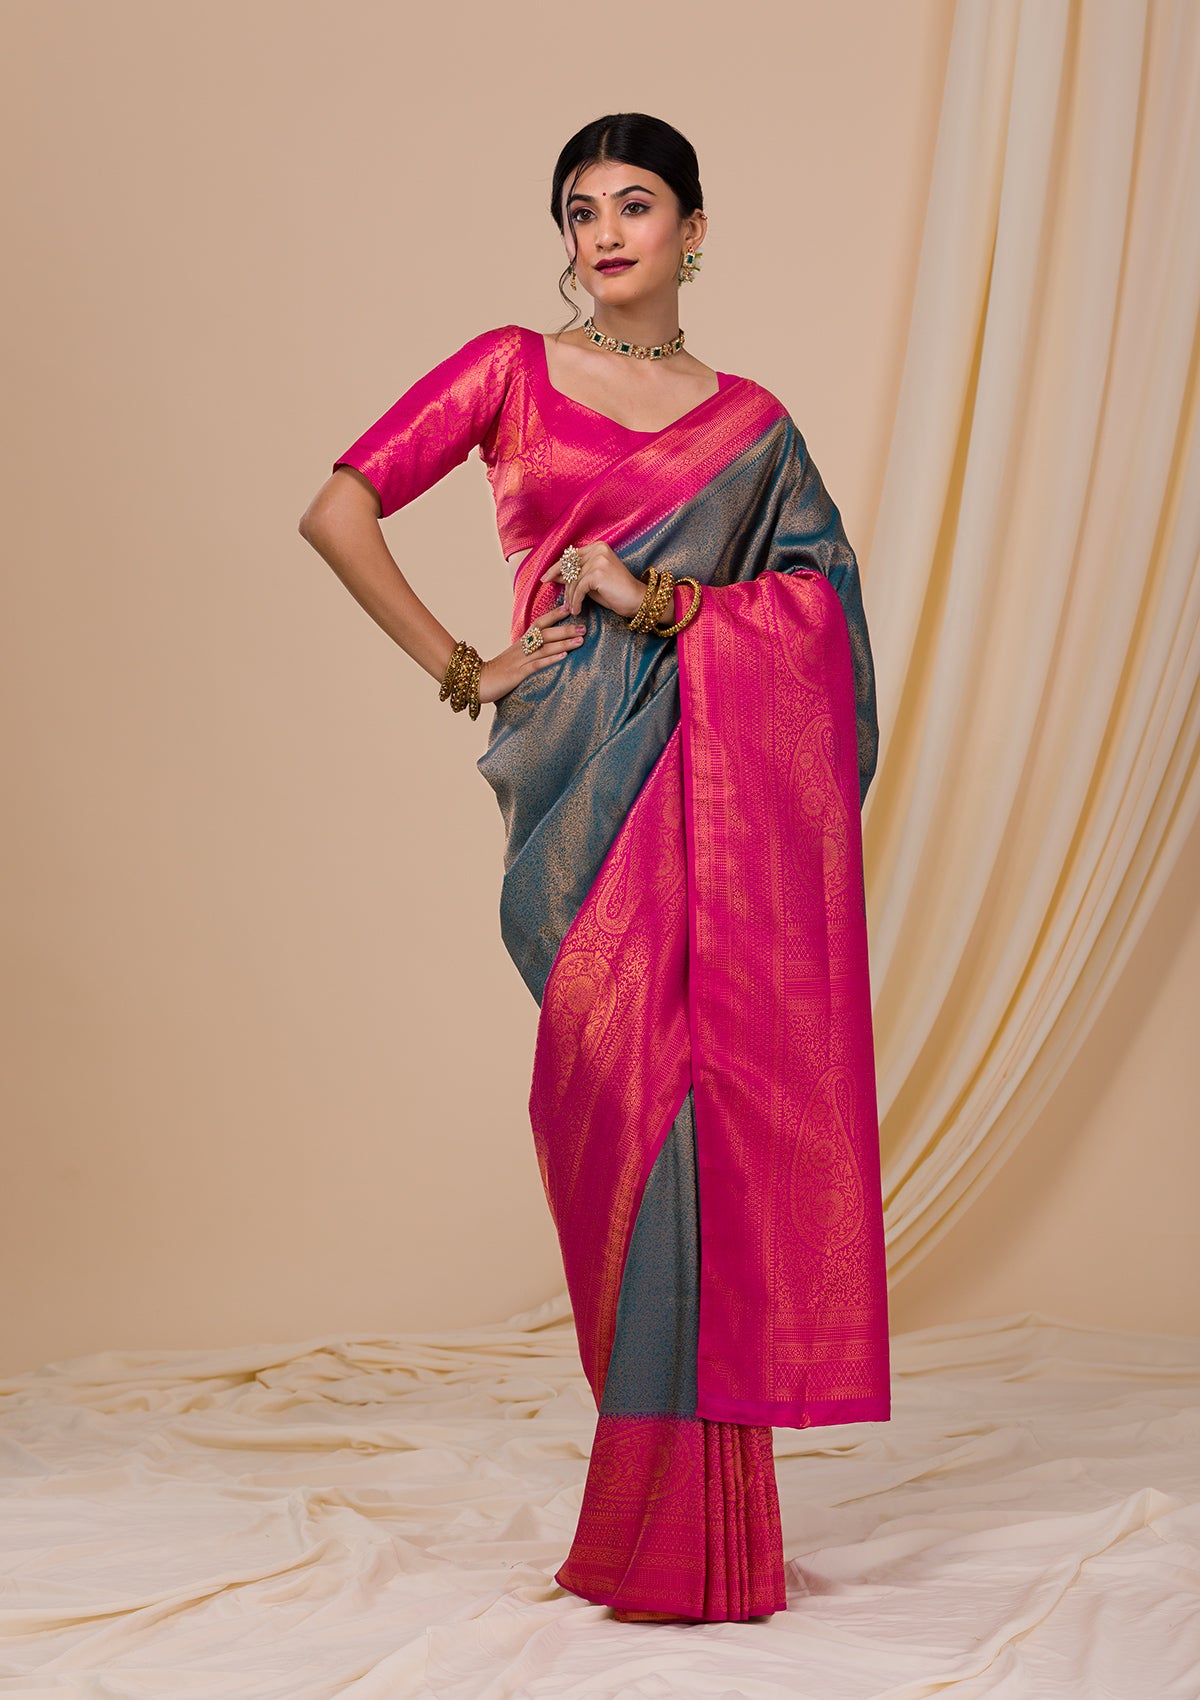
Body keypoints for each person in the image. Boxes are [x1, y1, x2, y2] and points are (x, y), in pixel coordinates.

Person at [298, 111, 891, 1626]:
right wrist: (467, 665)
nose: (606, 232)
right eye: (581, 209)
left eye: (636, 204)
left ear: (694, 228)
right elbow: (337, 508)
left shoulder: (754, 425)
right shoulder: (509, 369)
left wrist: (665, 602)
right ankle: (670, 1515)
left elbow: (827, 614)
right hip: (579, 790)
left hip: (718, 798)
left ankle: (691, 1531)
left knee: (704, 1128)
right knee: (621, 1118)